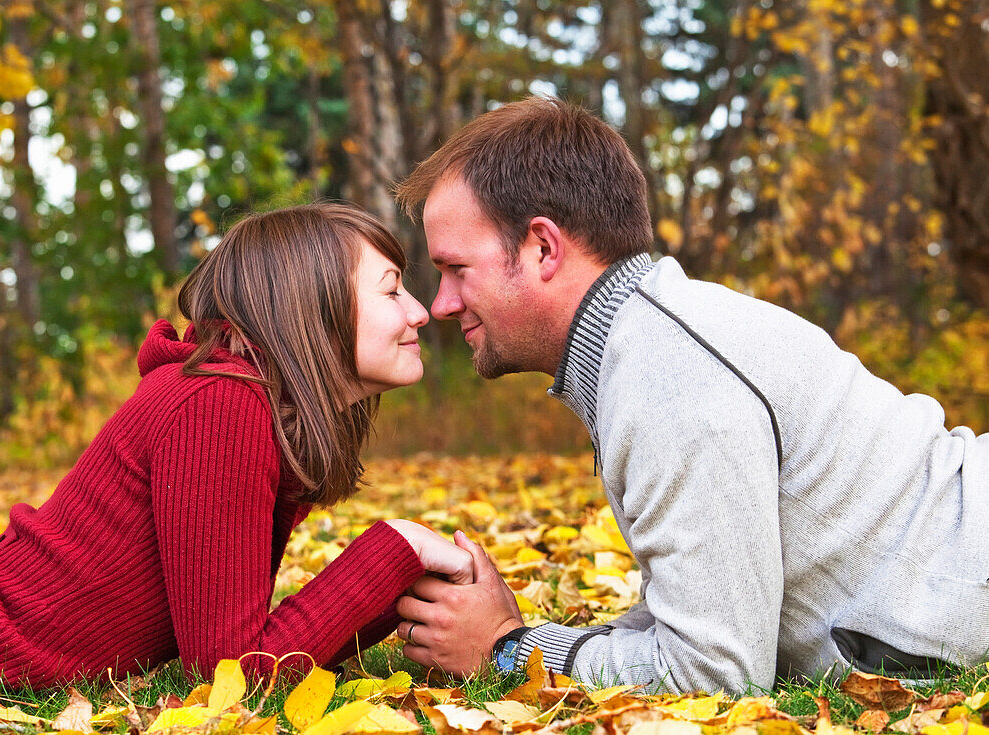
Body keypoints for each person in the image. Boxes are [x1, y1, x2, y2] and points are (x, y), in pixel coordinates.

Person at [391, 96, 989, 694]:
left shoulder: (671, 379)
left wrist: (509, 648)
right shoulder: (649, 344)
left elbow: (715, 672)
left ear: (542, 248)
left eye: (456, 269)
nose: (441, 304)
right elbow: (700, 609)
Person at [0, 203, 472, 696]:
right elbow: (230, 677)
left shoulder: (240, 401)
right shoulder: (220, 405)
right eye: (392, 290)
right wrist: (399, 547)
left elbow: (239, 647)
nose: (420, 311)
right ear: (309, 308)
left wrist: (399, 587)